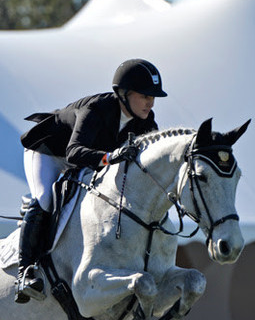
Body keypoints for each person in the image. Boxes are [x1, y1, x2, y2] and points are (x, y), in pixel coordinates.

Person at [14, 58, 167, 304]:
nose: (150, 102)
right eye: (144, 95)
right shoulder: (97, 108)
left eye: (153, 97)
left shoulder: (146, 122)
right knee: (44, 198)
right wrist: (110, 156)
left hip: (88, 160)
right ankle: (25, 272)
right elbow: (74, 151)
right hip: (49, 152)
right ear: (124, 94)